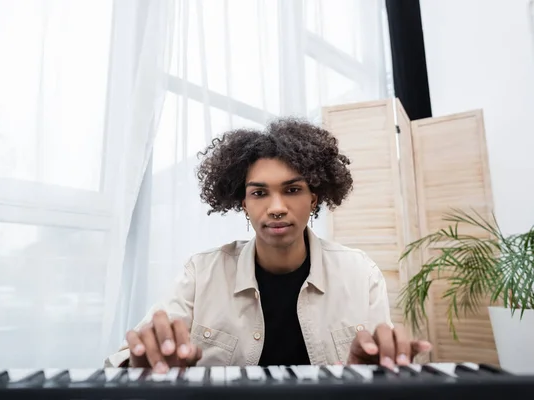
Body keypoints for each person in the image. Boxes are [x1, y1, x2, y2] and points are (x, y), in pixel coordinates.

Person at [104, 118, 431, 372]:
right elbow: (122, 363)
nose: (276, 207)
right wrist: (141, 366)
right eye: (259, 193)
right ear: (243, 203)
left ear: (314, 198)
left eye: (292, 190)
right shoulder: (201, 274)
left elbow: (381, 367)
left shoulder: (359, 272)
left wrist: (381, 373)